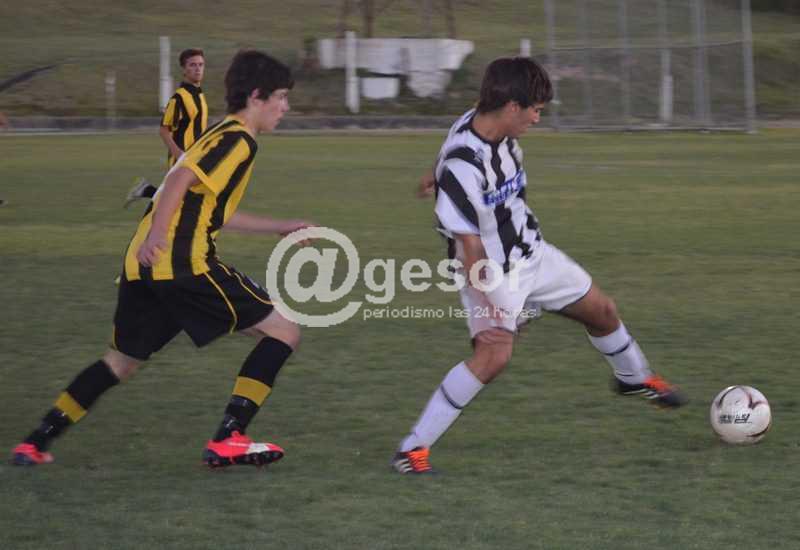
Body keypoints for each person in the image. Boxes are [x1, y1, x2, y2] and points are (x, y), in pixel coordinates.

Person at [13, 50, 314, 469]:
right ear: (256, 96)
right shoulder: (239, 139)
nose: (285, 107)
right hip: (182, 262)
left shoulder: (220, 133)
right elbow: (179, 180)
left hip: (144, 266)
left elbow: (212, 210)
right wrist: (158, 234)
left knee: (121, 362)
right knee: (283, 330)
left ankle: (36, 441)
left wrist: (279, 226)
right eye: (280, 97)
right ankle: (229, 437)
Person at [392, 57, 687, 475]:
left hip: (532, 251)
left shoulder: (480, 125)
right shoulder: (462, 166)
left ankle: (633, 378)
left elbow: (449, 152)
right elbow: (471, 246)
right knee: (494, 355)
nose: (536, 118)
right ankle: (412, 450)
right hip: (489, 269)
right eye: (534, 110)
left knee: (602, 311)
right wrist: (492, 306)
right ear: (511, 106)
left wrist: (432, 174)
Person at [124, 48, 208, 208]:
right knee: (183, 203)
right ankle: (146, 193)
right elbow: (163, 130)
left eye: (201, 64)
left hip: (197, 156)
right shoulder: (179, 98)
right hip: (183, 158)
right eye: (192, 65)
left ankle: (145, 190)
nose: (198, 68)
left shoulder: (200, 95)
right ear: (184, 69)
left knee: (184, 202)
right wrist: (179, 154)